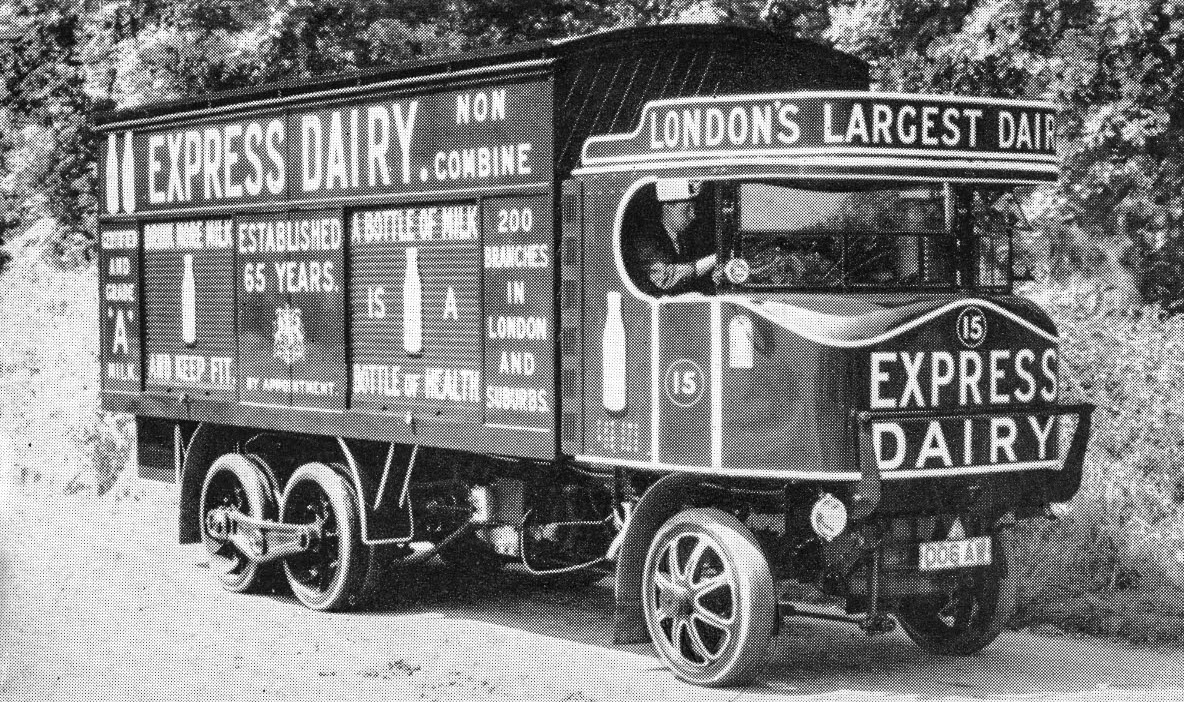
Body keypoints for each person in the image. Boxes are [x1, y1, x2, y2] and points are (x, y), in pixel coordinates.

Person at [625, 180, 717, 296]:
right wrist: (715, 258)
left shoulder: (684, 238)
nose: (693, 215)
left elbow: (691, 282)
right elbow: (664, 278)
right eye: (687, 209)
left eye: (694, 208)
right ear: (667, 208)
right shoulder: (646, 239)